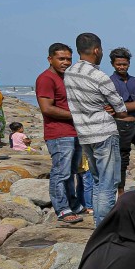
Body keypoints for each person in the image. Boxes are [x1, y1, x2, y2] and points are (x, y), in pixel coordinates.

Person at [64, 32, 134, 226]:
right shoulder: (99, 76)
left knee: (96, 180)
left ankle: (98, 224)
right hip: (104, 132)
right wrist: (110, 106)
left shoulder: (70, 72)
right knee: (108, 183)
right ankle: (105, 227)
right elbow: (120, 108)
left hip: (84, 134)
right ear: (97, 50)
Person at [37, 43, 85, 224]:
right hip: (58, 133)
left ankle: (73, 203)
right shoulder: (46, 79)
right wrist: (78, 115)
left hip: (74, 131)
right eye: (61, 59)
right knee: (61, 172)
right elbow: (47, 108)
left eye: (68, 59)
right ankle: (62, 208)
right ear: (50, 59)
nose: (66, 62)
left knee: (72, 172)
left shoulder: (66, 77)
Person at [109, 47, 135, 194]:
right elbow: (116, 107)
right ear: (113, 64)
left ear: (129, 64)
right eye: (118, 64)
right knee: (122, 160)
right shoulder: (110, 82)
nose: (121, 67)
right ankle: (121, 192)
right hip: (120, 125)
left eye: (124, 64)